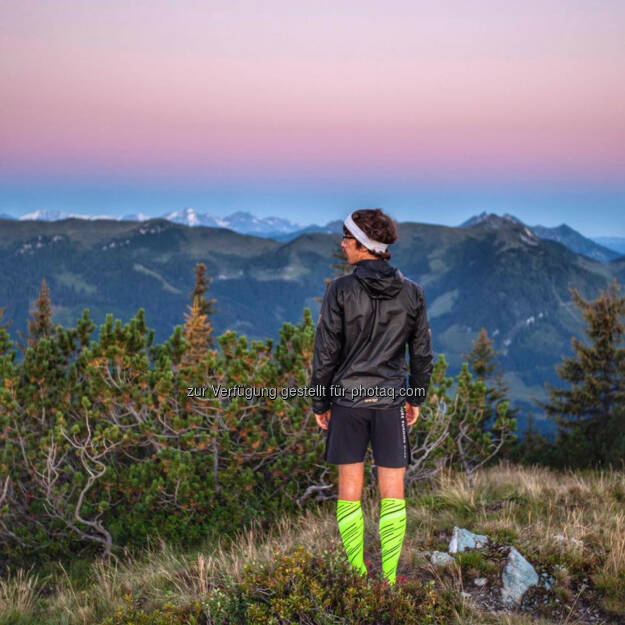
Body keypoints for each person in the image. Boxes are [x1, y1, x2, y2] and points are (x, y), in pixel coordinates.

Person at [310, 208, 434, 585]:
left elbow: (325, 352)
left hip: (348, 403)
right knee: (393, 493)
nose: (342, 244)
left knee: (349, 491)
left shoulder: (341, 290)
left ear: (363, 245)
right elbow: (423, 353)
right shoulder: (412, 292)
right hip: (391, 402)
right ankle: (390, 578)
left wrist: (321, 400)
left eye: (346, 238)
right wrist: (415, 397)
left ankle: (355, 572)